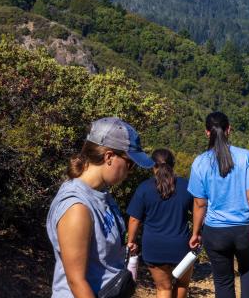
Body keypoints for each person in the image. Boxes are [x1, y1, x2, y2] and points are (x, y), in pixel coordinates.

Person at [46, 117, 155, 297]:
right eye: (130, 164)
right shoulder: (77, 208)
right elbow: (76, 281)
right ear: (109, 157)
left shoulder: (100, 194)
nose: (130, 171)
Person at [188, 112, 249, 298]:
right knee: (248, 272)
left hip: (215, 231)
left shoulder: (199, 162)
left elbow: (200, 204)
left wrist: (196, 233)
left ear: (207, 132)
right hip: (245, 229)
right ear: (229, 130)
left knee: (222, 281)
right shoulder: (245, 157)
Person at [126, 149, 194, 298]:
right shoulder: (186, 186)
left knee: (164, 288)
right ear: (173, 165)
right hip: (181, 246)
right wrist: (197, 234)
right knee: (182, 284)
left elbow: (134, 219)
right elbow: (199, 212)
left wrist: (131, 241)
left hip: (154, 247)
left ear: (152, 166)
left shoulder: (144, 188)